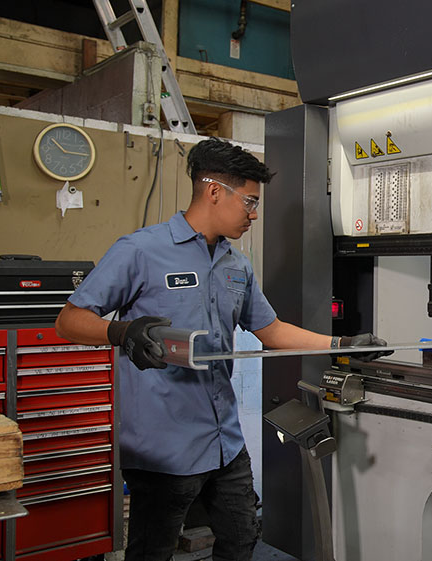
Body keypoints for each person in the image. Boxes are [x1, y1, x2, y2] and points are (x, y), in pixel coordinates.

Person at [55, 137, 388, 561]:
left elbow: (272, 331)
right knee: (151, 552)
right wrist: (123, 332)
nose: (254, 213)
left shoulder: (236, 265)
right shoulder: (140, 251)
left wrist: (342, 345)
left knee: (240, 540)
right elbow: (69, 320)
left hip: (224, 442)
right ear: (214, 191)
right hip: (162, 445)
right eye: (249, 201)